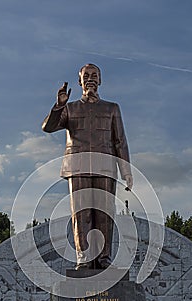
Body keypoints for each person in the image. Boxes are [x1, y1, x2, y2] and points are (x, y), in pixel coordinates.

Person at [42, 63, 133, 270]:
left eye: (95, 75)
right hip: (78, 166)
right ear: (80, 81)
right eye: (86, 76)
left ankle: (103, 258)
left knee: (104, 213)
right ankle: (83, 257)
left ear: (100, 80)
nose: (91, 78)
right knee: (81, 213)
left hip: (105, 166)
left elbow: (120, 141)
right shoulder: (70, 108)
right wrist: (58, 106)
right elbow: (48, 127)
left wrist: (126, 170)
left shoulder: (112, 108)